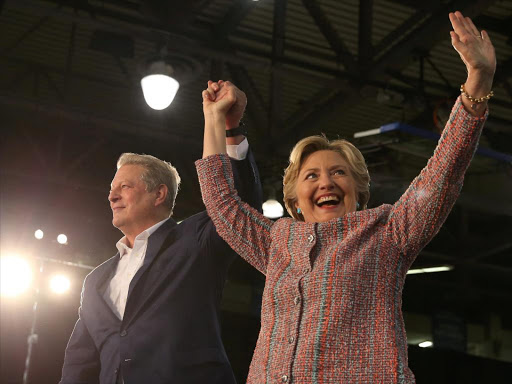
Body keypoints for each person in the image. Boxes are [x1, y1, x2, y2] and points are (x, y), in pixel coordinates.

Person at [196, 12, 495, 383]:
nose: (326, 182)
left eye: (339, 173)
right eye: (311, 176)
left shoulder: (387, 234)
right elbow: (222, 203)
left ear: (359, 191)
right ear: (294, 200)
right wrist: (217, 119)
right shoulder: (277, 243)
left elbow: (443, 174)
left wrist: (477, 80)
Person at [59, 81, 262, 384]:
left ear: (159, 194)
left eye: (125, 187)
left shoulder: (194, 240)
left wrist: (229, 127)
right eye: (111, 190)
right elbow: (80, 362)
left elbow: (239, 207)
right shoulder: (95, 281)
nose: (112, 196)